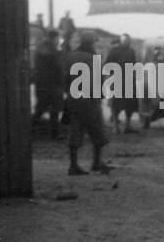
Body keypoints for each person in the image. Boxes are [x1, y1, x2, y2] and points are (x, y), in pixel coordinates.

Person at [63, 33, 112, 175]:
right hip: (90, 99)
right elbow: (100, 80)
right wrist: (100, 97)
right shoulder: (94, 58)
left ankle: (73, 165)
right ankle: (96, 163)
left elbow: (65, 78)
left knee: (76, 130)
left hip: (74, 98)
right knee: (97, 131)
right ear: (91, 43)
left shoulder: (70, 57)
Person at [31, 29, 65, 138]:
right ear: (54, 37)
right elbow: (57, 66)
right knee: (53, 109)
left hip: (42, 82)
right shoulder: (51, 48)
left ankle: (30, 129)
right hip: (52, 83)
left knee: (41, 107)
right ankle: (53, 133)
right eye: (58, 38)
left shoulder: (41, 47)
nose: (58, 40)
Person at [106, 33, 139, 133]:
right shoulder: (113, 51)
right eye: (124, 40)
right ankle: (115, 126)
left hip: (129, 80)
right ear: (121, 41)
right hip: (117, 80)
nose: (126, 42)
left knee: (130, 104)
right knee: (116, 104)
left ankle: (127, 125)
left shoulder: (131, 51)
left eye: (127, 40)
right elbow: (108, 65)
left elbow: (134, 64)